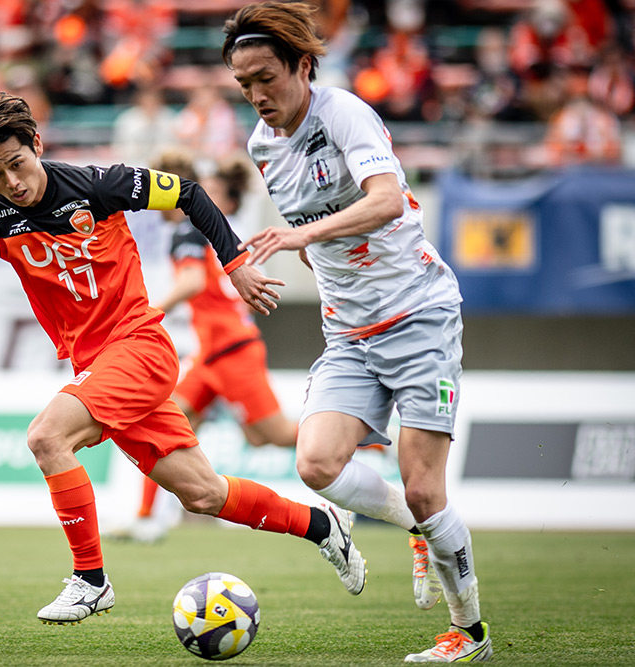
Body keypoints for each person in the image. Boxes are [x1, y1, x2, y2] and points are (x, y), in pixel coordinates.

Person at [0, 90, 367, 625]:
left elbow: (188, 193)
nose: (11, 182)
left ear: (36, 144)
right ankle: (323, 527)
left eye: (16, 163)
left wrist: (235, 265)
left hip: (139, 348)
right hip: (97, 366)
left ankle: (90, 581)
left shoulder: (96, 185)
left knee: (47, 436)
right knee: (203, 494)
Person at [221, 3, 490, 663]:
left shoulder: (343, 112)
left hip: (418, 315)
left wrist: (301, 237)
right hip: (348, 332)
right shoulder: (261, 146)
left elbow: (387, 199)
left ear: (302, 66)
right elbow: (324, 242)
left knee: (426, 487)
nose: (256, 95)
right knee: (315, 463)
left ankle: (469, 633)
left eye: (266, 78)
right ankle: (417, 529)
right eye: (244, 84)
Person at [113, 149, 298, 544]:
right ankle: (145, 518)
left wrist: (148, 312)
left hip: (231, 351)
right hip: (211, 353)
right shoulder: (208, 225)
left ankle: (361, 438)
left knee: (272, 434)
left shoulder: (188, 229)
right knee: (164, 423)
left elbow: (193, 282)